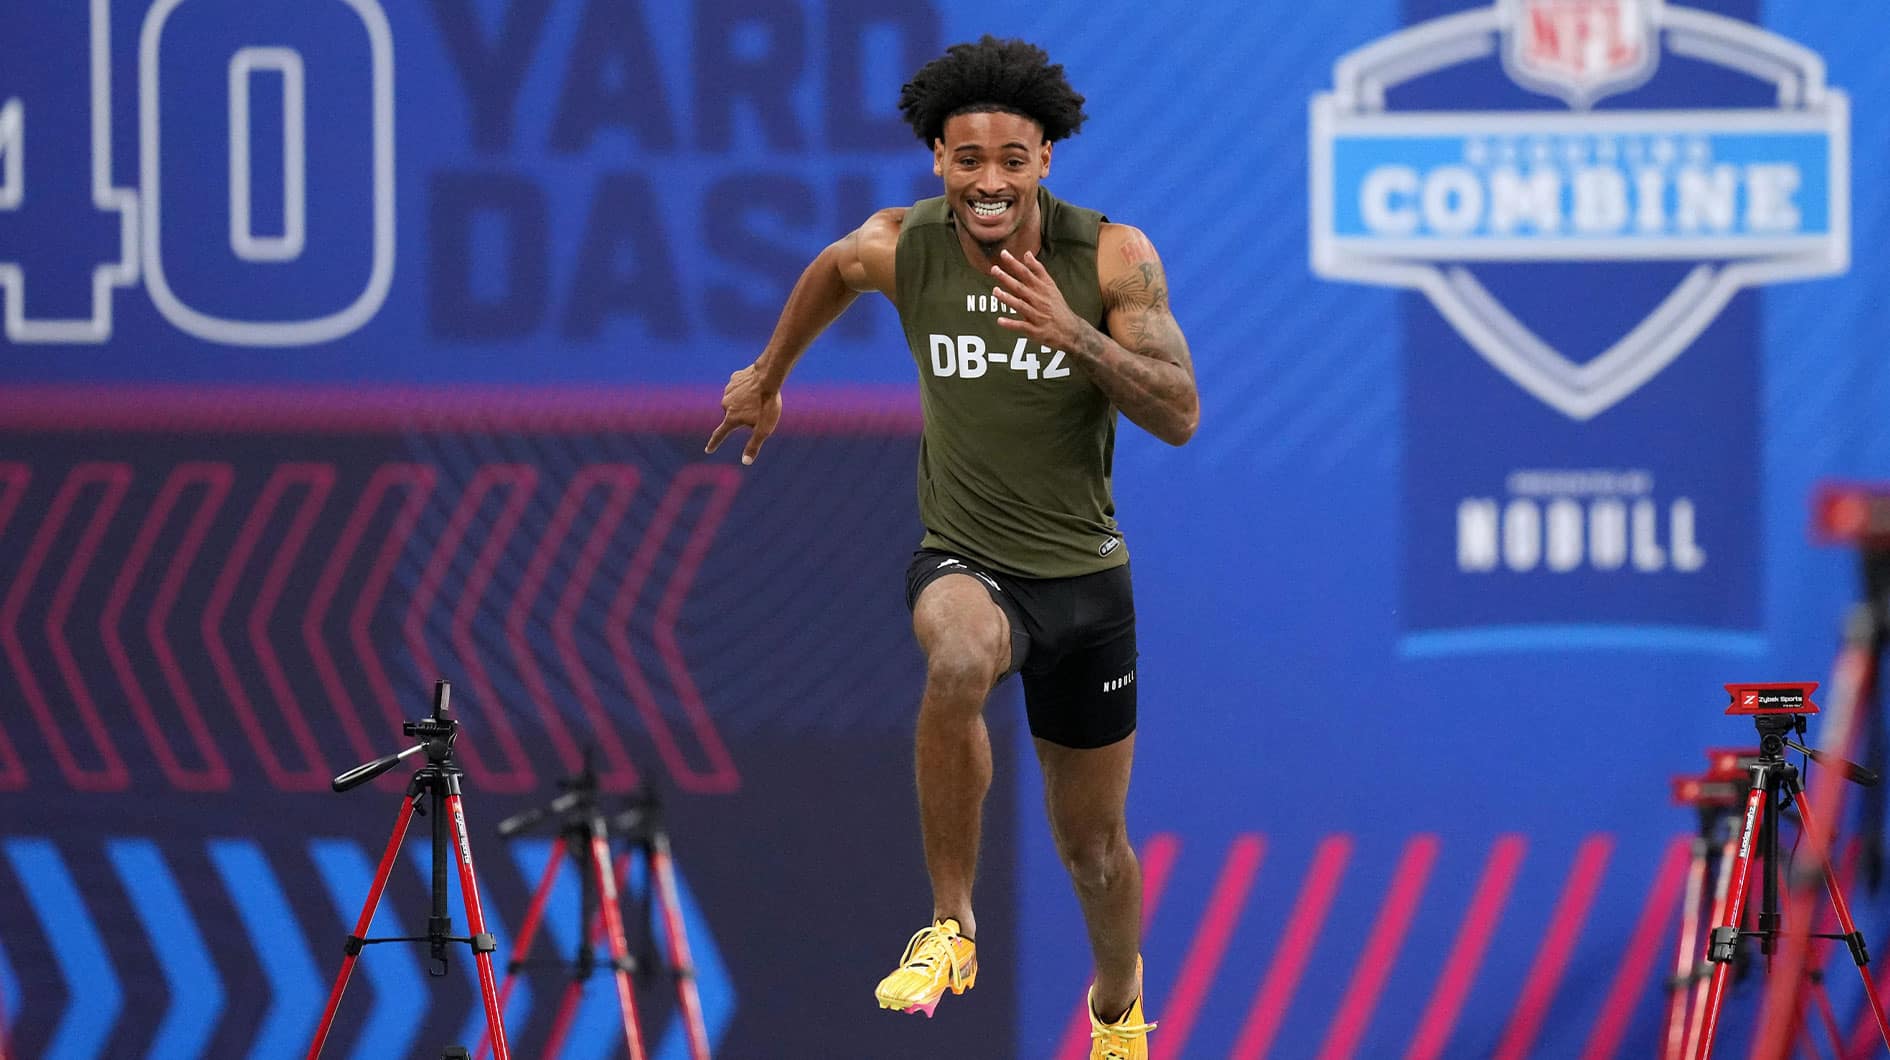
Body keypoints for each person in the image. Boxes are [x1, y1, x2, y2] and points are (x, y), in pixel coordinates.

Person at [705, 35, 1197, 1060]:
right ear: (938, 158)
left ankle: (1118, 1005)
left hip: (1086, 586)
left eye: (1010, 161)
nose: (988, 181)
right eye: (967, 159)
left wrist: (1078, 336)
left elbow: (1181, 413)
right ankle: (951, 925)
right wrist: (768, 373)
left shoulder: (1113, 257)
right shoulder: (905, 243)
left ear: (1044, 163)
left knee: (1094, 849)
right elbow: (836, 267)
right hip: (966, 558)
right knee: (959, 657)